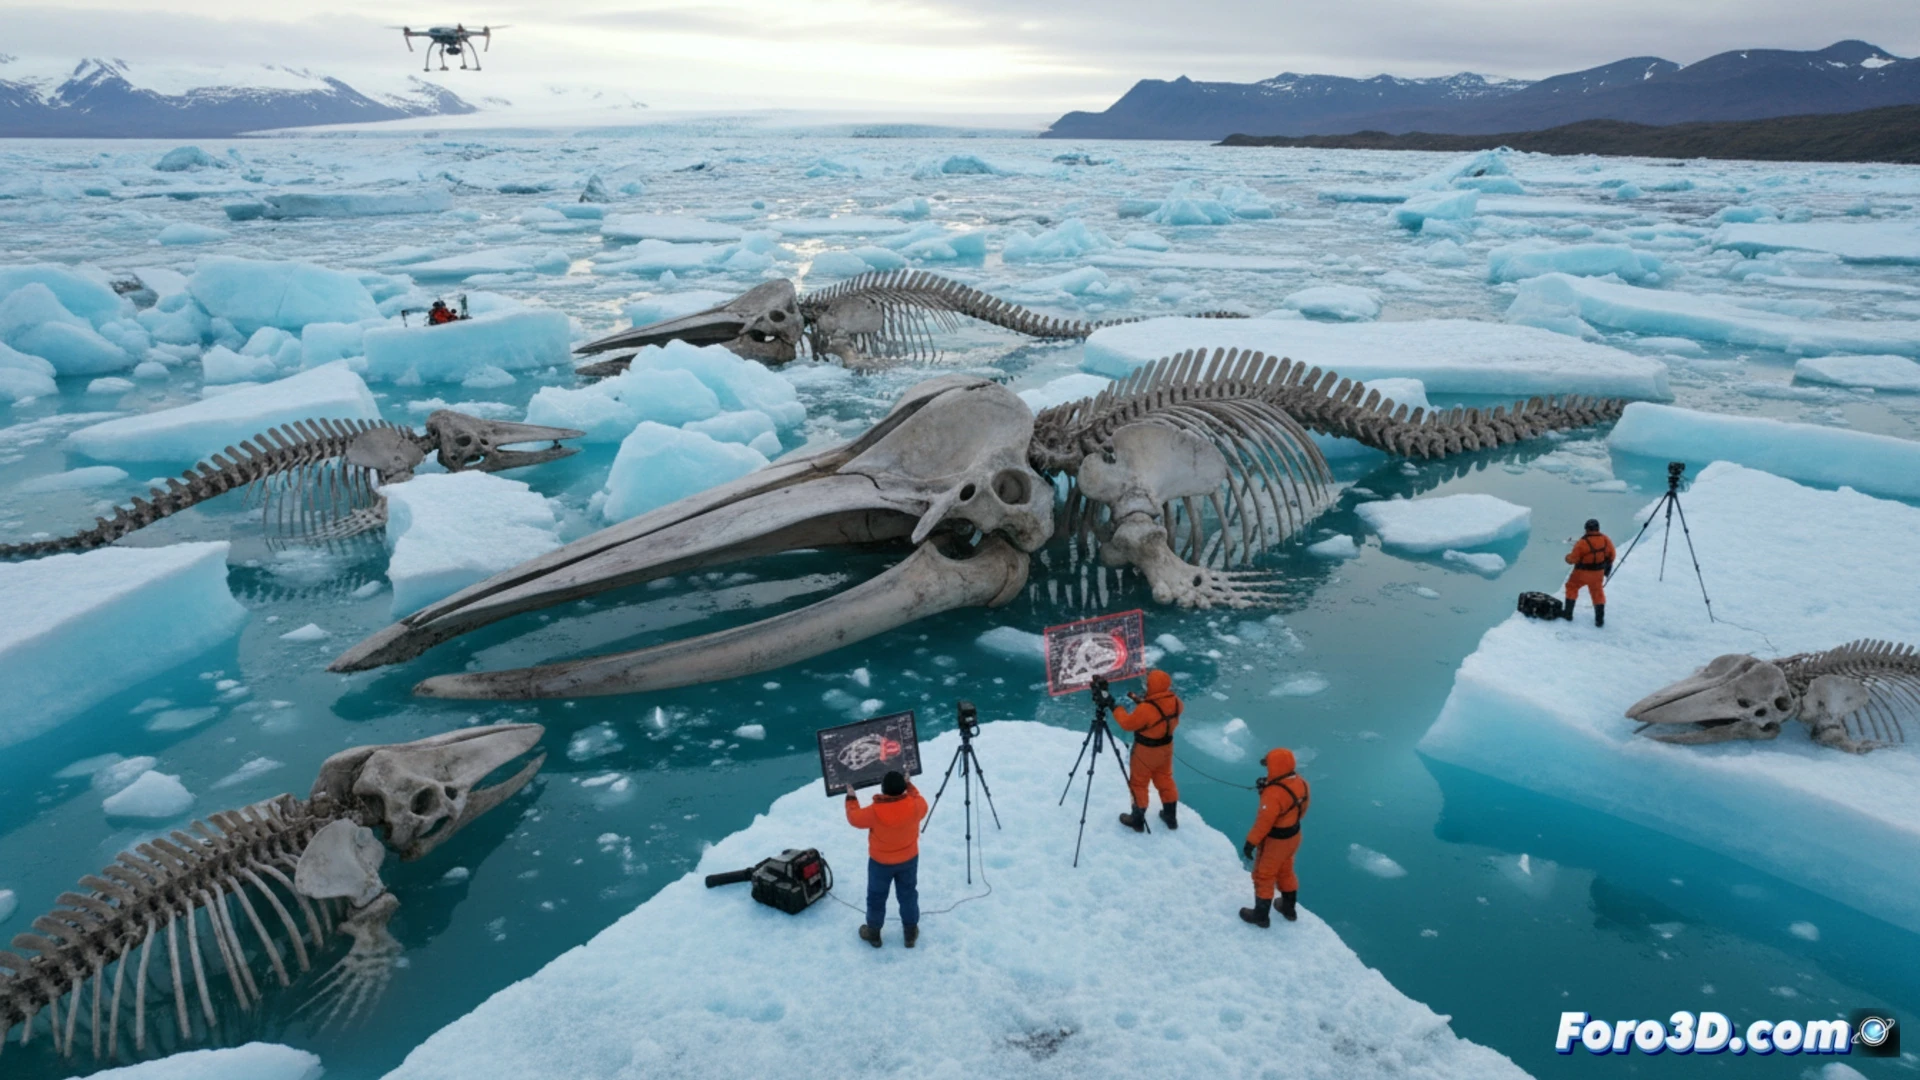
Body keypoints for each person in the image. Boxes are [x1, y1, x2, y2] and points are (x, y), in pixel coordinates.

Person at [844, 770, 927, 949]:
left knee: (876, 897)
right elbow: (921, 801)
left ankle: (873, 933)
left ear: (883, 790)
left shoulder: (875, 811)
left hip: (880, 863)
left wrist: (851, 798)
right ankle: (910, 932)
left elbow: (854, 818)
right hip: (909, 860)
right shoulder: (915, 805)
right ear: (903, 789)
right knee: (908, 895)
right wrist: (910, 784)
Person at [1240, 747, 1309, 928]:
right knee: (1285, 870)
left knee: (1264, 875)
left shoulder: (1273, 794)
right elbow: (1298, 808)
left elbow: (1264, 822)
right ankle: (1288, 908)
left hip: (1276, 842)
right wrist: (1269, 787)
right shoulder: (1302, 783)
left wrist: (1250, 843)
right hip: (1293, 836)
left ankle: (1261, 916)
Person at [1112, 668, 1182, 832]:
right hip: (1165, 748)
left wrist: (1116, 708)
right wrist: (1142, 702)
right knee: (1165, 779)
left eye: (1147, 683)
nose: (1145, 685)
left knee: (1139, 783)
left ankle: (1137, 820)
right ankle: (1170, 817)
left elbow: (1127, 724)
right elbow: (1160, 713)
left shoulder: (1146, 710)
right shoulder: (1177, 702)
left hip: (1145, 751)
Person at [1563, 518, 1615, 627]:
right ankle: (1599, 620)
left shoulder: (1582, 543)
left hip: (1581, 573)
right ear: (1598, 529)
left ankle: (1568, 614)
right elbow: (1612, 555)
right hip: (1598, 574)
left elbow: (1573, 559)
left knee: (1571, 587)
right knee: (1597, 593)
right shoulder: (1605, 539)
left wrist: (1567, 558)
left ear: (1586, 529)